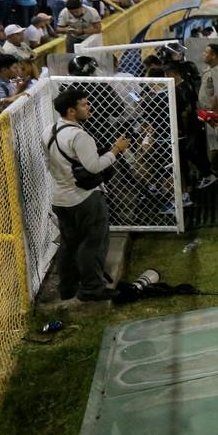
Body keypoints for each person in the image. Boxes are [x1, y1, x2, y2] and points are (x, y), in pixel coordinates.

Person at [45, 87, 129, 301]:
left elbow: (49, 163)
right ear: (71, 111)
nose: (89, 107)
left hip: (61, 198)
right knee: (93, 243)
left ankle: (67, 288)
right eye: (84, 104)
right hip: (84, 198)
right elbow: (94, 166)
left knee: (68, 244)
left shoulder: (49, 131)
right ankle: (92, 288)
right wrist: (116, 150)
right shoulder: (79, 136)